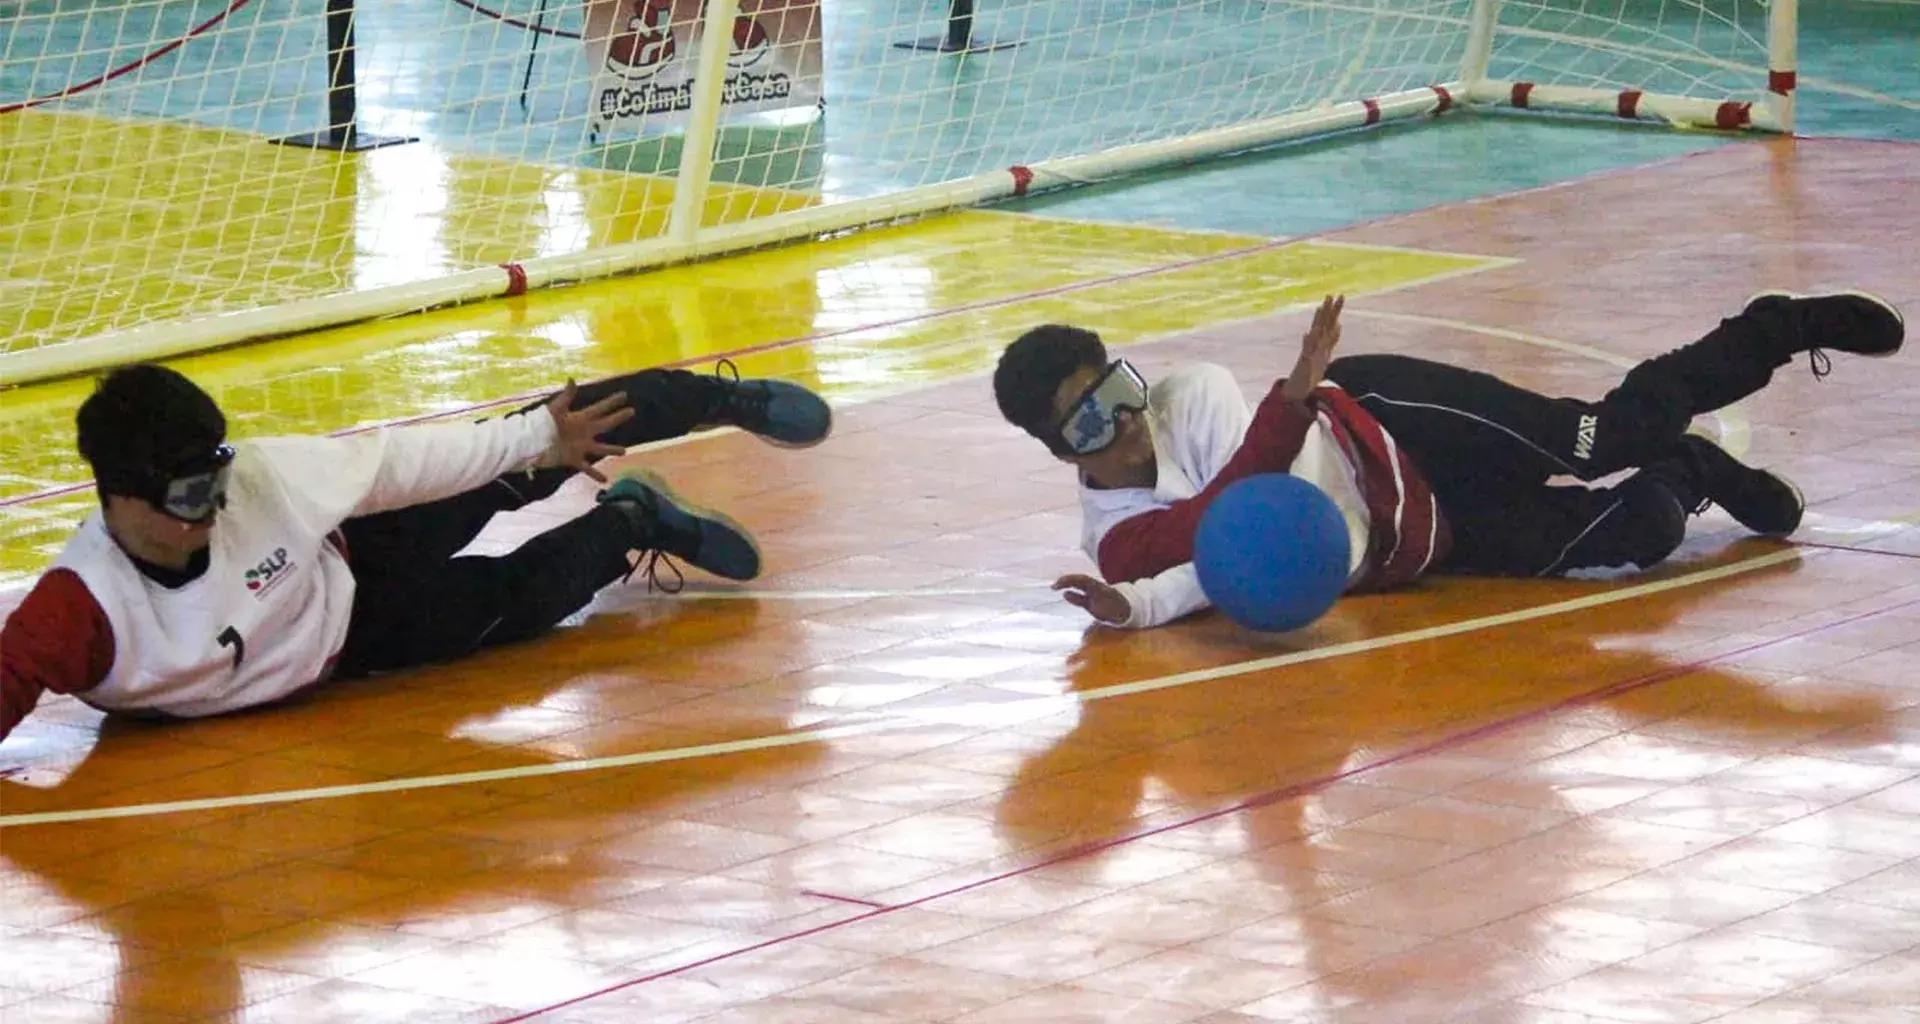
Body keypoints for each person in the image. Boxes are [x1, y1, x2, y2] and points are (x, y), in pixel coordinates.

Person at [0, 362, 832, 743]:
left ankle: (719, 395)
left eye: (215, 481)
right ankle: (634, 522)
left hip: (345, 551)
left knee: (541, 449)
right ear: (120, 494)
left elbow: (405, 463)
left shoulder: (267, 479)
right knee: (519, 601)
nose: (213, 511)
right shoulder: (80, 609)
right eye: (186, 499)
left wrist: (539, 436)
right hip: (351, 643)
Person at [991, 290, 1905, 629]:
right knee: (1629, 532)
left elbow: (1247, 508)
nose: (1124, 426)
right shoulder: (1115, 544)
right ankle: (1699, 471)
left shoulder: (1194, 392)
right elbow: (1214, 556)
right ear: (1054, 452)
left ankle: (1777, 328)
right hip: (1418, 540)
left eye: (1119, 392)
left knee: (1593, 439)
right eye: (1088, 428)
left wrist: (1293, 400)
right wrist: (1137, 604)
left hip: (1387, 424)